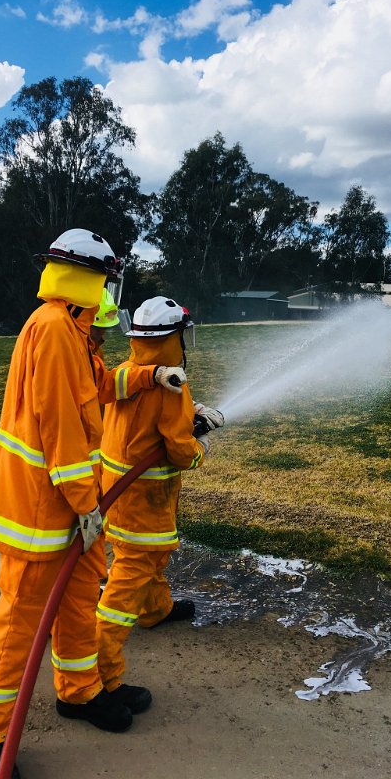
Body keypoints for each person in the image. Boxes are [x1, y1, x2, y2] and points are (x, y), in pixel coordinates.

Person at [0, 232, 188, 779]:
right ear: (90, 280)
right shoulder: (53, 330)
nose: (112, 292)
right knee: (19, 626)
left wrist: (150, 375)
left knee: (79, 603)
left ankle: (81, 691)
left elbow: (100, 386)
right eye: (108, 280)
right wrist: (88, 505)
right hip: (41, 513)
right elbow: (60, 428)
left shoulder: (74, 332)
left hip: (74, 508)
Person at [96, 296, 224, 706]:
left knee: (150, 557)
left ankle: (156, 610)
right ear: (176, 337)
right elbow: (180, 452)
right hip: (145, 499)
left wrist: (192, 411)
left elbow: (146, 417)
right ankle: (99, 671)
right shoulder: (171, 387)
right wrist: (201, 443)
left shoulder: (128, 372)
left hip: (115, 491)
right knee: (132, 571)